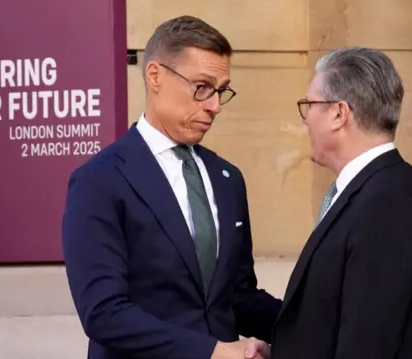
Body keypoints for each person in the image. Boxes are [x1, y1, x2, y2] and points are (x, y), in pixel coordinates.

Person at [62, 15, 282, 359]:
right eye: (202, 87)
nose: (214, 106)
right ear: (155, 76)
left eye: (221, 91)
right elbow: (103, 313)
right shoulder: (98, 180)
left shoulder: (228, 178)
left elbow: (236, 297)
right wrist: (214, 352)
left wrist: (317, 325)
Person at [270, 47, 412, 359]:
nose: (305, 119)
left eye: (309, 105)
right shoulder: (374, 191)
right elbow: (332, 320)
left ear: (339, 113)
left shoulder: (387, 203)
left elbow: (368, 342)